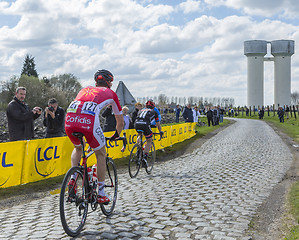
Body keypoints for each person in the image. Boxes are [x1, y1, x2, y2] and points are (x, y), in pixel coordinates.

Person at [65, 69, 124, 204]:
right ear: (109, 82)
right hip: (88, 121)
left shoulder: (84, 89)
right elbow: (120, 122)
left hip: (69, 120)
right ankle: (101, 193)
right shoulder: (111, 94)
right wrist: (116, 134)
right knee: (101, 153)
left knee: (78, 148)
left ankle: (73, 177)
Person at [134, 100, 163, 168]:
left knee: (140, 135)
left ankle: (138, 149)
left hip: (137, 124)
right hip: (145, 124)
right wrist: (160, 131)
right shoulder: (154, 112)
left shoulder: (140, 110)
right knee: (149, 140)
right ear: (153, 107)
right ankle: (145, 157)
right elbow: (158, 124)